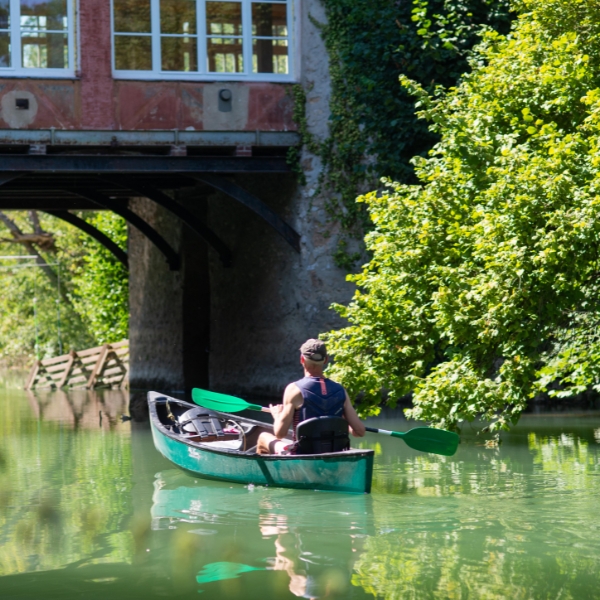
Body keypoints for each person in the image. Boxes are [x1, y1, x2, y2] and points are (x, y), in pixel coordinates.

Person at [257, 339, 365, 455]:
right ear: (326, 360)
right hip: (334, 454)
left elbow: (280, 433)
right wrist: (340, 420)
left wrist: (277, 415)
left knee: (263, 437)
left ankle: (267, 473)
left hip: (302, 455)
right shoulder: (340, 390)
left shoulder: (294, 389)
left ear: (302, 359)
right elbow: (358, 432)